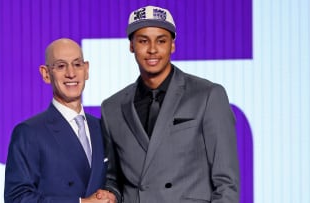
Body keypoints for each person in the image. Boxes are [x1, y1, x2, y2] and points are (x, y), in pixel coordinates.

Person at [101, 5, 240, 203]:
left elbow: (227, 182)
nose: (152, 49)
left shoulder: (208, 95)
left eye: (161, 40)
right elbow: (113, 178)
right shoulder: (112, 108)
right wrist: (110, 193)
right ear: (131, 45)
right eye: (143, 41)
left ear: (172, 45)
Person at [4, 38, 115, 203]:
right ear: (46, 74)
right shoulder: (29, 132)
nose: (71, 73)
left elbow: (116, 180)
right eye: (61, 66)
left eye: (77, 64)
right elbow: (17, 198)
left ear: (86, 70)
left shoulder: (102, 128)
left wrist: (113, 194)